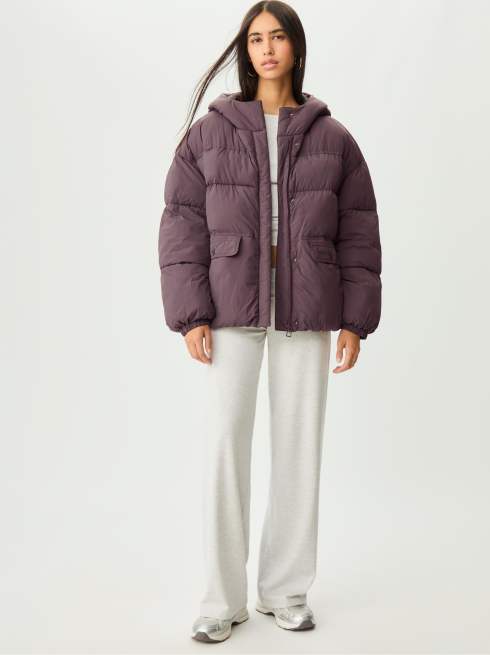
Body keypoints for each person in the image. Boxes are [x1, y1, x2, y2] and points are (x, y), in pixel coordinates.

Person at [157, 0, 382, 643]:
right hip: (231, 305)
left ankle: (285, 591)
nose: (266, 48)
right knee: (225, 449)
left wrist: (355, 319)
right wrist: (191, 313)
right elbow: (181, 224)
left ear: (295, 48)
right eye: (255, 39)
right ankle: (220, 600)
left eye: (277, 36)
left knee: (298, 450)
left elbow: (359, 230)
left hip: (308, 306)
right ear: (244, 51)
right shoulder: (209, 133)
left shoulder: (334, 138)